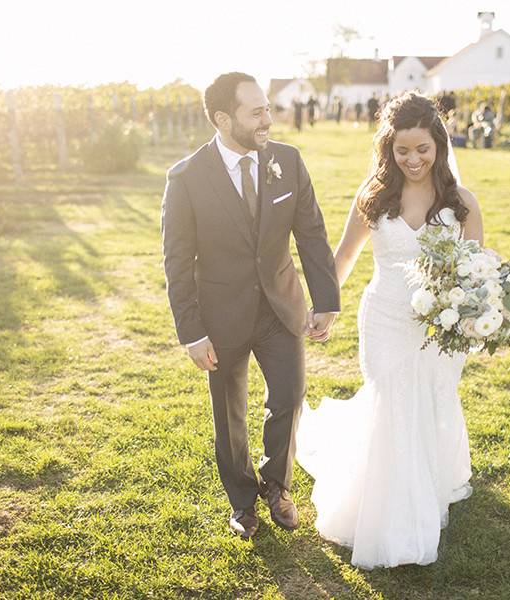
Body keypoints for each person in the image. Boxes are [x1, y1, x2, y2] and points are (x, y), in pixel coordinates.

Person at [295, 91, 483, 569]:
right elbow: (343, 258)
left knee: (429, 401)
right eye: (402, 150)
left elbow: (476, 271)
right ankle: (389, 512)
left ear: (439, 144)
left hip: (439, 326)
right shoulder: (374, 196)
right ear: (388, 148)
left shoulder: (461, 203)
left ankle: (424, 487)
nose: (414, 159)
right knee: (392, 401)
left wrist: (473, 316)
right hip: (383, 317)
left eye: (423, 149)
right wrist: (322, 307)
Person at [161, 72, 340, 540]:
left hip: (282, 305)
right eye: (256, 111)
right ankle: (243, 502)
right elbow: (177, 263)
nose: (268, 118)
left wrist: (326, 300)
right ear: (223, 119)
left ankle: (277, 485)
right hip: (221, 316)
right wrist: (191, 331)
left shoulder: (288, 160)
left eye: (268, 108)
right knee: (230, 413)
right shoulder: (186, 179)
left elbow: (312, 234)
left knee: (289, 397)